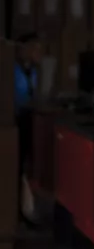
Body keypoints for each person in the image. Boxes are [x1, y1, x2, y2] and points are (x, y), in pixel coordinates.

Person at [14, 33, 43, 224]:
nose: (37, 53)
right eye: (33, 48)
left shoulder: (33, 71)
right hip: (15, 121)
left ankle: (26, 209)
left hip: (29, 119)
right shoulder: (12, 70)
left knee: (27, 165)